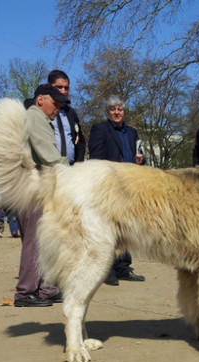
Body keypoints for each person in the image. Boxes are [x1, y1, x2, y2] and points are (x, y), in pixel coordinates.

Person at [14, 83, 69, 307]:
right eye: (55, 104)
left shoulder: (38, 117)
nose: (57, 109)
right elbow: (49, 156)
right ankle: (25, 293)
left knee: (44, 239)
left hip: (37, 185)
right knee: (34, 241)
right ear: (40, 100)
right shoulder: (35, 117)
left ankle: (47, 288)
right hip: (32, 187)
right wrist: (74, 171)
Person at [88, 96, 146, 286]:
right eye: (113, 109)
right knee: (110, 228)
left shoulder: (132, 132)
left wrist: (140, 161)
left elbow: (140, 157)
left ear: (124, 111)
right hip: (110, 186)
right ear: (107, 111)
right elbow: (96, 157)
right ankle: (108, 269)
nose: (116, 112)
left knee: (127, 227)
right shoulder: (100, 129)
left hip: (130, 186)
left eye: (119, 109)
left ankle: (123, 267)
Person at [47, 70, 86, 164]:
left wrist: (78, 161)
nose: (63, 91)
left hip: (70, 170)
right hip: (48, 168)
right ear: (48, 85)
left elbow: (80, 140)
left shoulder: (71, 112)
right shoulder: (40, 110)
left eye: (66, 88)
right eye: (59, 87)